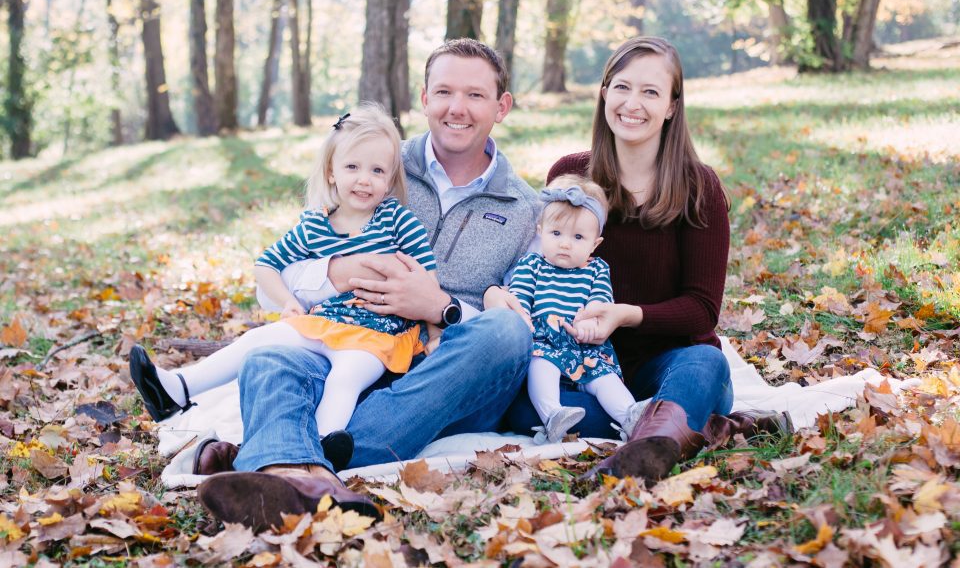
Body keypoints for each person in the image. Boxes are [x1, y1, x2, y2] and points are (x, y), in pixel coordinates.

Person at [195, 39, 540, 532]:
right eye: (443, 91)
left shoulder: (525, 209)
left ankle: (275, 450)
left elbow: (518, 324)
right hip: (351, 349)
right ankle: (306, 480)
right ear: (424, 98)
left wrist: (441, 307)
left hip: (437, 377)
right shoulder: (370, 162)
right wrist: (340, 272)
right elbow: (280, 271)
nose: (456, 108)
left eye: (475, 95)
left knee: (506, 332)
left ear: (501, 106)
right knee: (269, 358)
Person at [505, 36, 790, 482]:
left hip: (673, 368)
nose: (632, 103)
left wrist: (624, 314)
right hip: (584, 367)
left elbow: (701, 309)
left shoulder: (699, 187)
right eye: (622, 87)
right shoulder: (572, 175)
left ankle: (639, 454)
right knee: (521, 403)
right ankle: (709, 429)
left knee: (708, 364)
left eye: (651, 92)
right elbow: (539, 265)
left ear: (673, 106)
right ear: (604, 94)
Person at [129, 104, 441, 470]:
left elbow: (427, 282)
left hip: (380, 332)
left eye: (377, 171)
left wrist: (433, 333)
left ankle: (326, 445)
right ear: (331, 171)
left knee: (346, 378)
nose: (364, 179)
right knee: (256, 340)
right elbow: (266, 265)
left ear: (390, 179)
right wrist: (288, 302)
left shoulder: (396, 220)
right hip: (325, 322)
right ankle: (177, 388)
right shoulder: (315, 226)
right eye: (352, 167)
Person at [490, 174, 648, 445]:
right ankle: (553, 414)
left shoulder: (597, 269)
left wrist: (591, 324)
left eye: (577, 237)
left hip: (583, 343)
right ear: (540, 231)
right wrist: (523, 319)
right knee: (542, 366)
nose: (565, 243)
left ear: (595, 243)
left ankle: (630, 416)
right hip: (544, 339)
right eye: (556, 233)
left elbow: (600, 302)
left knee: (604, 378)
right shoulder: (532, 265)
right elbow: (520, 298)